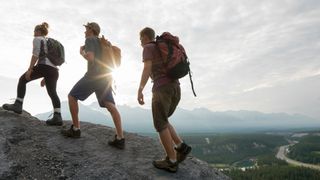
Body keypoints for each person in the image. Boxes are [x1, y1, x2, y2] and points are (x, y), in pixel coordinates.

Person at [61, 22, 125, 149]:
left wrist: (82, 53)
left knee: (72, 96)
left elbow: (90, 58)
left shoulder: (90, 40)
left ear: (91, 30)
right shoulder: (104, 43)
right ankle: (120, 137)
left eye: (86, 29)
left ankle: (76, 129)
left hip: (93, 75)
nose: (84, 32)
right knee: (110, 105)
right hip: (106, 77)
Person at [137, 27, 192, 173]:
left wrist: (140, 89)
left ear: (145, 37)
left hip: (162, 89)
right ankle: (181, 147)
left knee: (160, 124)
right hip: (175, 88)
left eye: (140, 39)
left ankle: (171, 161)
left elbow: (147, 68)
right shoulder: (163, 48)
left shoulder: (149, 47)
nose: (140, 42)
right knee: (164, 119)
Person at [2, 22, 62, 126]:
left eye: (35, 31)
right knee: (52, 92)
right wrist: (46, 77)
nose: (33, 33)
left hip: (44, 67)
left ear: (38, 31)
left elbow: (36, 54)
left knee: (22, 80)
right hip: (54, 71)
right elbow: (50, 60)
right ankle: (58, 116)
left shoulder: (37, 39)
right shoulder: (49, 41)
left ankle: (18, 105)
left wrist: (30, 69)